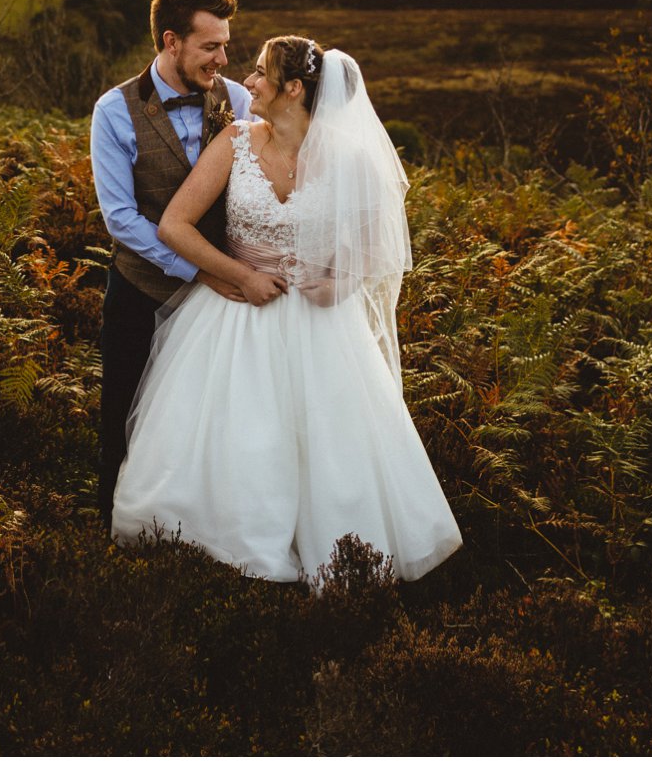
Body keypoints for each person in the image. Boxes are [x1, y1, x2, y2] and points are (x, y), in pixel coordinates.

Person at [110, 35, 462, 584]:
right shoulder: (235, 141)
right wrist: (241, 275)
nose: (245, 83)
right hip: (235, 314)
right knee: (240, 436)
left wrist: (340, 284)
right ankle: (234, 547)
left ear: (293, 88)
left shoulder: (349, 156)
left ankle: (338, 551)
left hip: (323, 325)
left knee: (330, 444)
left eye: (259, 74)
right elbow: (173, 226)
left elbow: (381, 244)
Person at [88, 0, 260, 534]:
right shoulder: (113, 112)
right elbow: (120, 219)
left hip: (223, 303)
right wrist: (198, 270)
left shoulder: (238, 101)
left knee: (207, 421)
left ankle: (201, 527)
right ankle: (111, 527)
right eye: (211, 47)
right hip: (142, 290)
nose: (223, 58)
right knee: (123, 415)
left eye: (226, 46)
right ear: (170, 42)